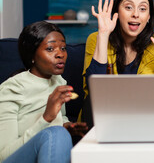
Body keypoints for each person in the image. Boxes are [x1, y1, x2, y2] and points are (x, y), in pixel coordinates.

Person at [0, 21, 88, 163]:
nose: (60, 54)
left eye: (63, 48)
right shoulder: (11, 89)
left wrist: (66, 126)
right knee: (57, 133)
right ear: (32, 56)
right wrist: (46, 118)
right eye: (50, 49)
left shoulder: (59, 81)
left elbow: (61, 117)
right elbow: (4, 156)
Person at [82, 0, 154, 127]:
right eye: (128, 7)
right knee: (92, 101)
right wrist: (103, 35)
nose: (135, 14)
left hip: (140, 114)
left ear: (149, 16)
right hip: (103, 114)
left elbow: (149, 93)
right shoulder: (96, 38)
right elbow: (95, 88)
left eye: (142, 9)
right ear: (117, 12)